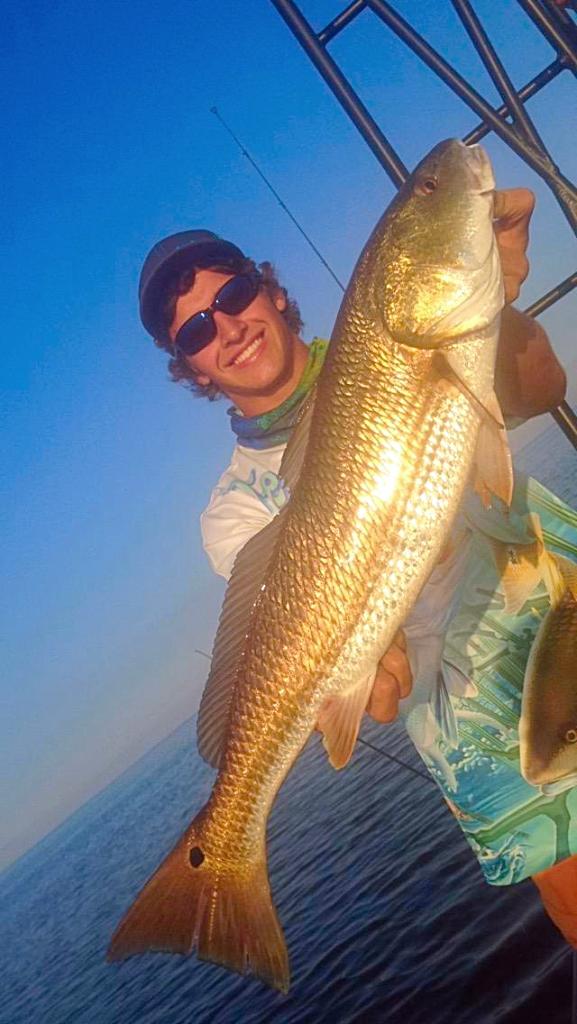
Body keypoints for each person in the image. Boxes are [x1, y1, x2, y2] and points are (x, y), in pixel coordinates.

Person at [137, 191, 576, 943]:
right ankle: (226, 850)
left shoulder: (384, 351)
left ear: (271, 291)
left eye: (233, 295)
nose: (228, 327)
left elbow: (544, 388)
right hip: (475, 725)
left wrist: (492, 303)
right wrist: (362, 670)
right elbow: (306, 626)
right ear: (193, 370)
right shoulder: (233, 511)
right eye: (198, 330)